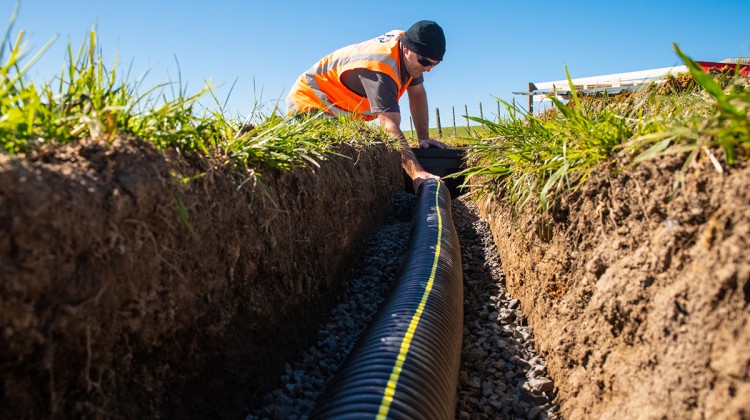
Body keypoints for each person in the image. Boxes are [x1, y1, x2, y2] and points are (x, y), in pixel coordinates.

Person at [286, 20, 448, 192]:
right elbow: (389, 125)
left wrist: (423, 139)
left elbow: (417, 94)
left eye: (434, 63)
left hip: (338, 108)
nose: (428, 69)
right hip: (311, 100)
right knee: (344, 154)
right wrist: (417, 174)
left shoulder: (411, 51)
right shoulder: (382, 67)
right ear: (406, 49)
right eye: (424, 62)